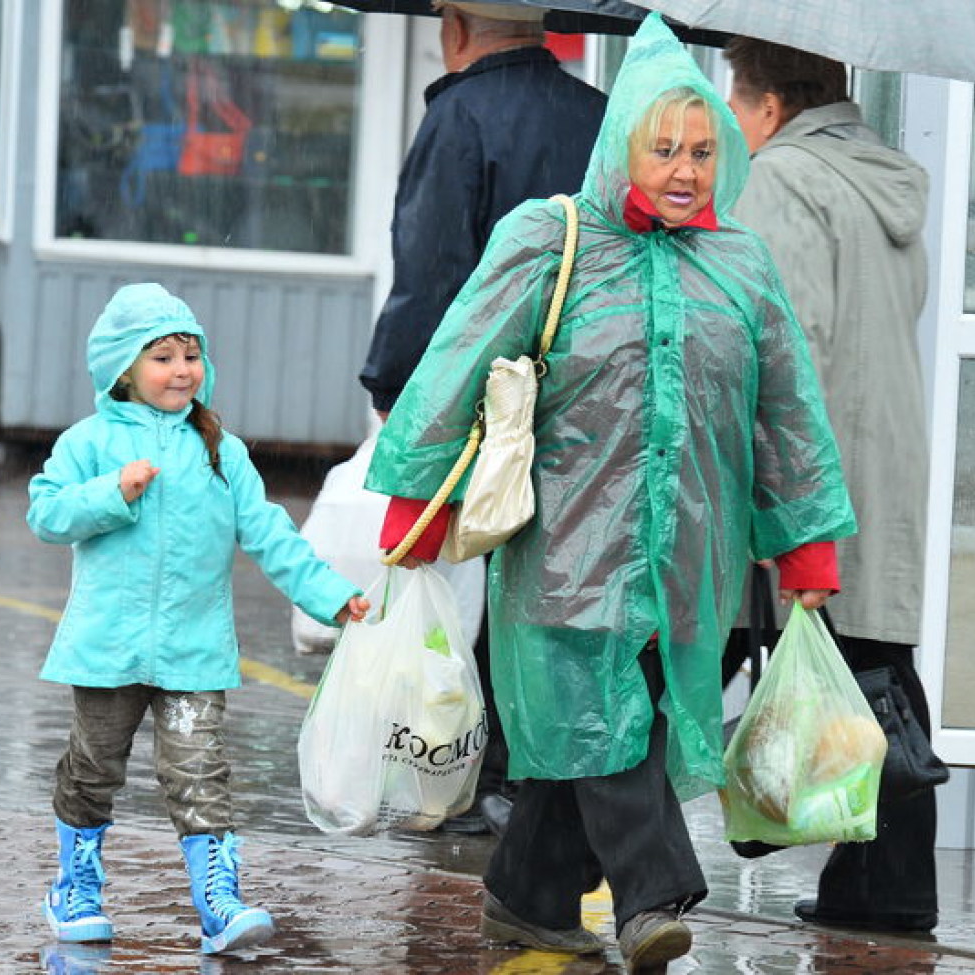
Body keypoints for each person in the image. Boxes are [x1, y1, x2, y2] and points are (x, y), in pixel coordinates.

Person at [365, 14, 856, 972]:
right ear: (624, 144)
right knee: (599, 716)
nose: (685, 169)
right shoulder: (551, 240)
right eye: (664, 147)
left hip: (688, 559)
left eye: (704, 150)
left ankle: (528, 894)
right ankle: (654, 898)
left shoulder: (742, 267)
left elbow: (787, 417)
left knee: (609, 734)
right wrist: (413, 503)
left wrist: (805, 545)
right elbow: (455, 365)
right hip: (564, 548)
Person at [27, 283, 370, 954]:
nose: (181, 368)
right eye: (162, 356)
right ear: (123, 368)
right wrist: (112, 491)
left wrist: (329, 593)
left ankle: (219, 904)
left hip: (193, 648)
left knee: (200, 772)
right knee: (93, 769)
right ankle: (75, 887)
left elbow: (271, 532)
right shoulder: (88, 442)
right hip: (106, 649)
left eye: (191, 354)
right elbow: (46, 513)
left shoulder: (221, 450)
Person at [358, 0, 606, 836]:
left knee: (475, 573)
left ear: (456, 28)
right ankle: (534, 774)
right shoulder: (603, 117)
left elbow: (431, 270)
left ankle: (470, 770)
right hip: (587, 397)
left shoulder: (457, 116)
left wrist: (397, 391)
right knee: (545, 578)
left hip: (484, 400)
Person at [724, 38, 938, 934]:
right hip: (884, 456)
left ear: (771, 106)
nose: (730, 125)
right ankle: (885, 888)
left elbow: (783, 338)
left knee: (680, 666)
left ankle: (597, 860)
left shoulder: (783, 178)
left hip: (812, 472)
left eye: (734, 104)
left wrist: (772, 490)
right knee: (876, 671)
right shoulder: (886, 180)